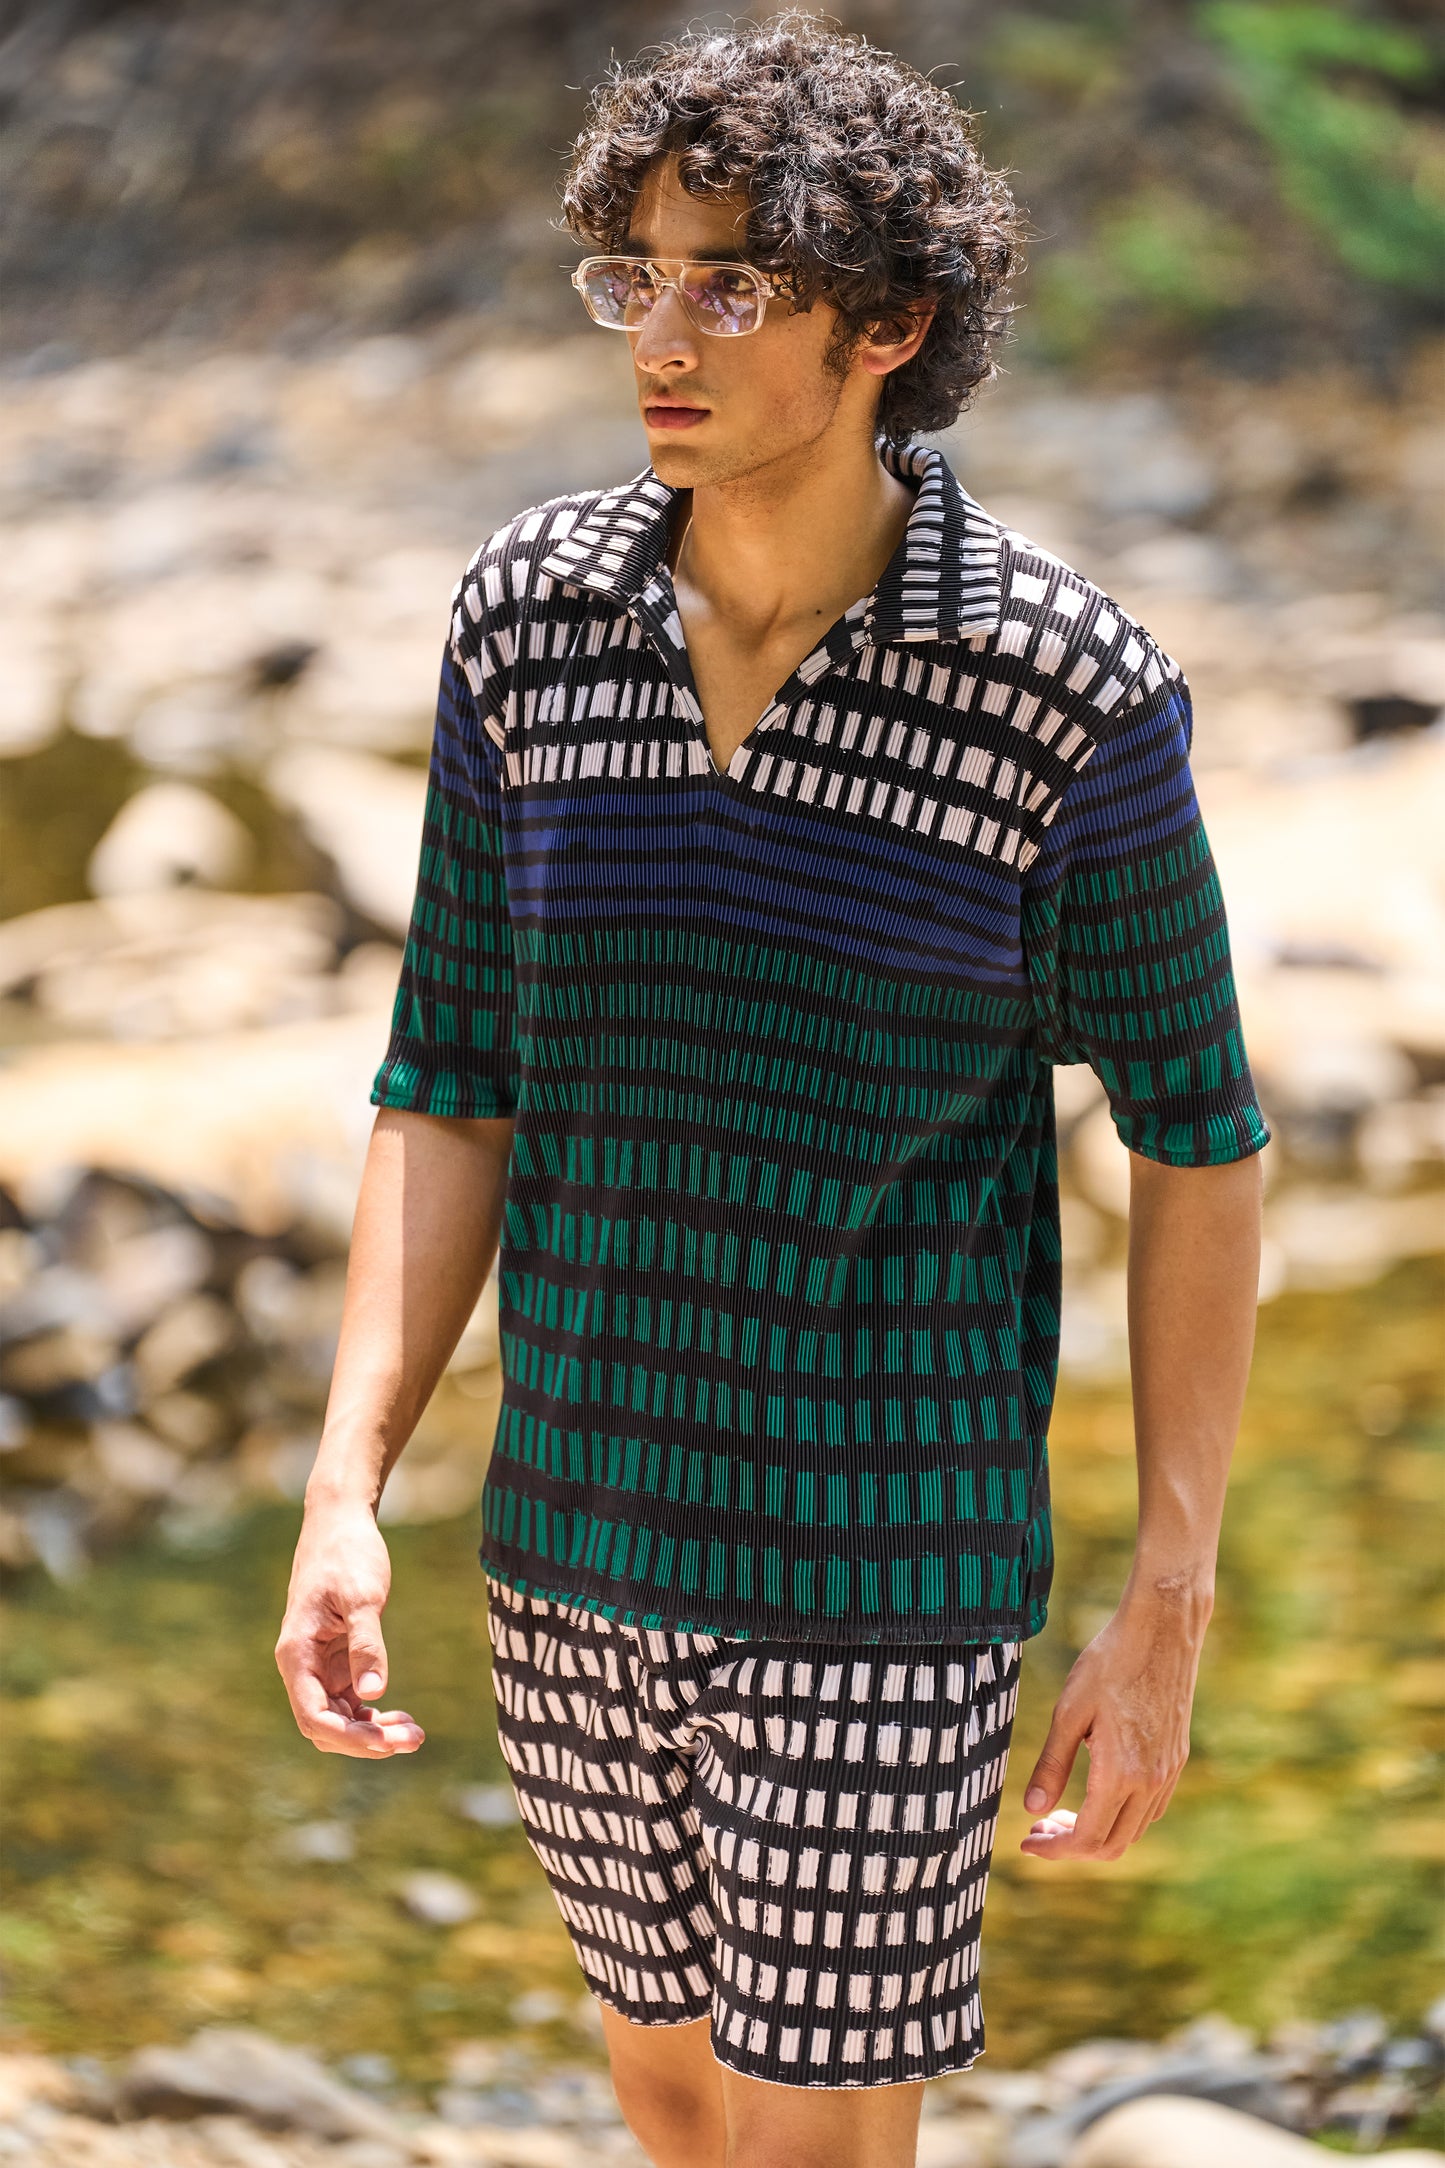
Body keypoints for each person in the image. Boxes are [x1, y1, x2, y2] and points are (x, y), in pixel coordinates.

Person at [275, 14, 1268, 2167]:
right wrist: (348, 1482)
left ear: (888, 326)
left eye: (733, 286)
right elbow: (448, 1082)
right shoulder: (528, 622)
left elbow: (1198, 1141)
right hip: (572, 1538)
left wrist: (1166, 1599)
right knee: (663, 2090)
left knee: (806, 2135)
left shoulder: (1061, 692)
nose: (662, 335)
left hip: (880, 1562)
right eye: (636, 274)